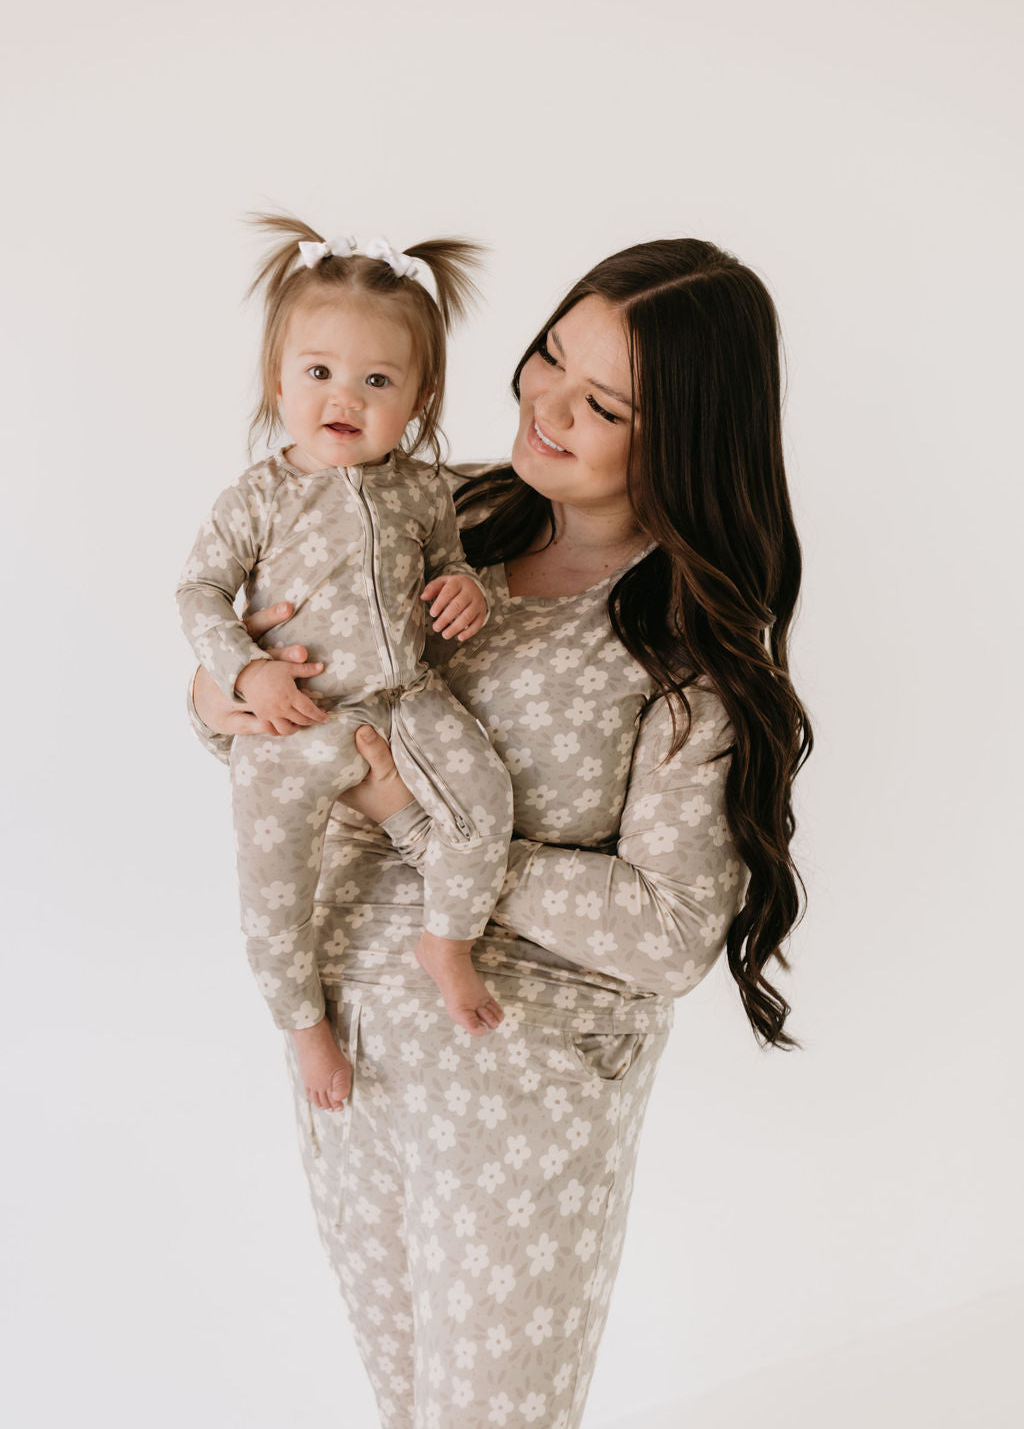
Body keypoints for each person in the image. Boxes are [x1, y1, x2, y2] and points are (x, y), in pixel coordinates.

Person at [188, 236, 812, 1429]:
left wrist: (422, 827)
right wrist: (229, 687)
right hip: (350, 1056)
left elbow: (671, 927)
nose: (546, 402)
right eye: (546, 356)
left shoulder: (684, 642)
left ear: (682, 430)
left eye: (604, 401)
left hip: (518, 1094)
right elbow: (252, 707)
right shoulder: (433, 509)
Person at [177, 215, 516, 1115]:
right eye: (319, 372)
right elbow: (199, 594)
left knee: (487, 802)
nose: (346, 398)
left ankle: (447, 939)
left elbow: (446, 567)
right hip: (294, 717)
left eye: (377, 380)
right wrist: (245, 674)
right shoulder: (259, 494)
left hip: (405, 703)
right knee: (272, 886)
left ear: (420, 397)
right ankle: (301, 1022)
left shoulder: (423, 490)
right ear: (278, 377)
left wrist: (468, 589)